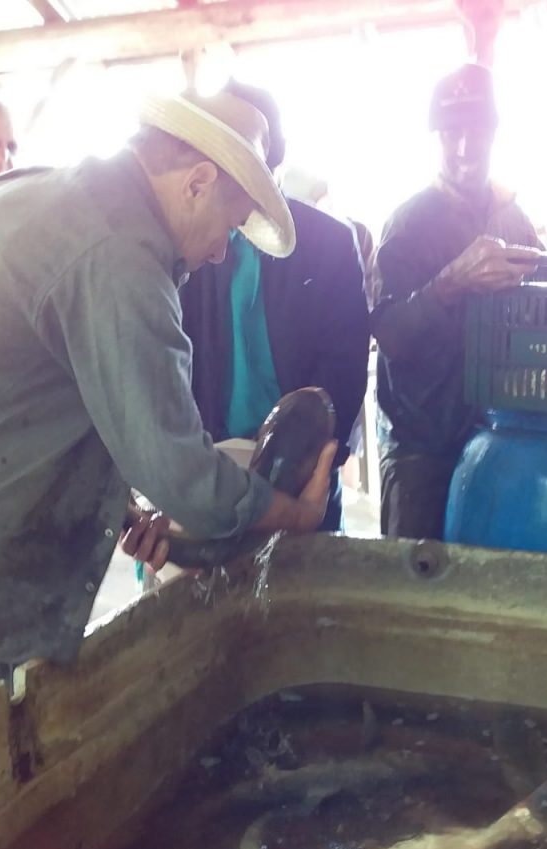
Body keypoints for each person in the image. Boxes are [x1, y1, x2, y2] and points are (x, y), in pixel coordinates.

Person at [0, 91, 337, 705]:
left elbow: (29, 390)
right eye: (230, 225)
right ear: (197, 183)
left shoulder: (59, 194)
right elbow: (179, 471)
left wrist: (116, 508)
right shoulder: (120, 256)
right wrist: (297, 514)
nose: (221, 252)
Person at [180, 80, 370, 531]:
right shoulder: (185, 239)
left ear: (274, 162)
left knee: (304, 572)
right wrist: (178, 465)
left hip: (299, 470)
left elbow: (343, 368)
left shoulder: (328, 242)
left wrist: (310, 466)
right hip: (206, 467)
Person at [372, 64, 541, 540]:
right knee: (413, 579)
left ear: (495, 133)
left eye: (478, 131)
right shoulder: (407, 225)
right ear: (437, 138)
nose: (466, 147)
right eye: (452, 133)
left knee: (494, 574)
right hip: (421, 455)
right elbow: (390, 334)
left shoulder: (515, 219)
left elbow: (546, 310)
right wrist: (450, 282)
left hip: (499, 442)